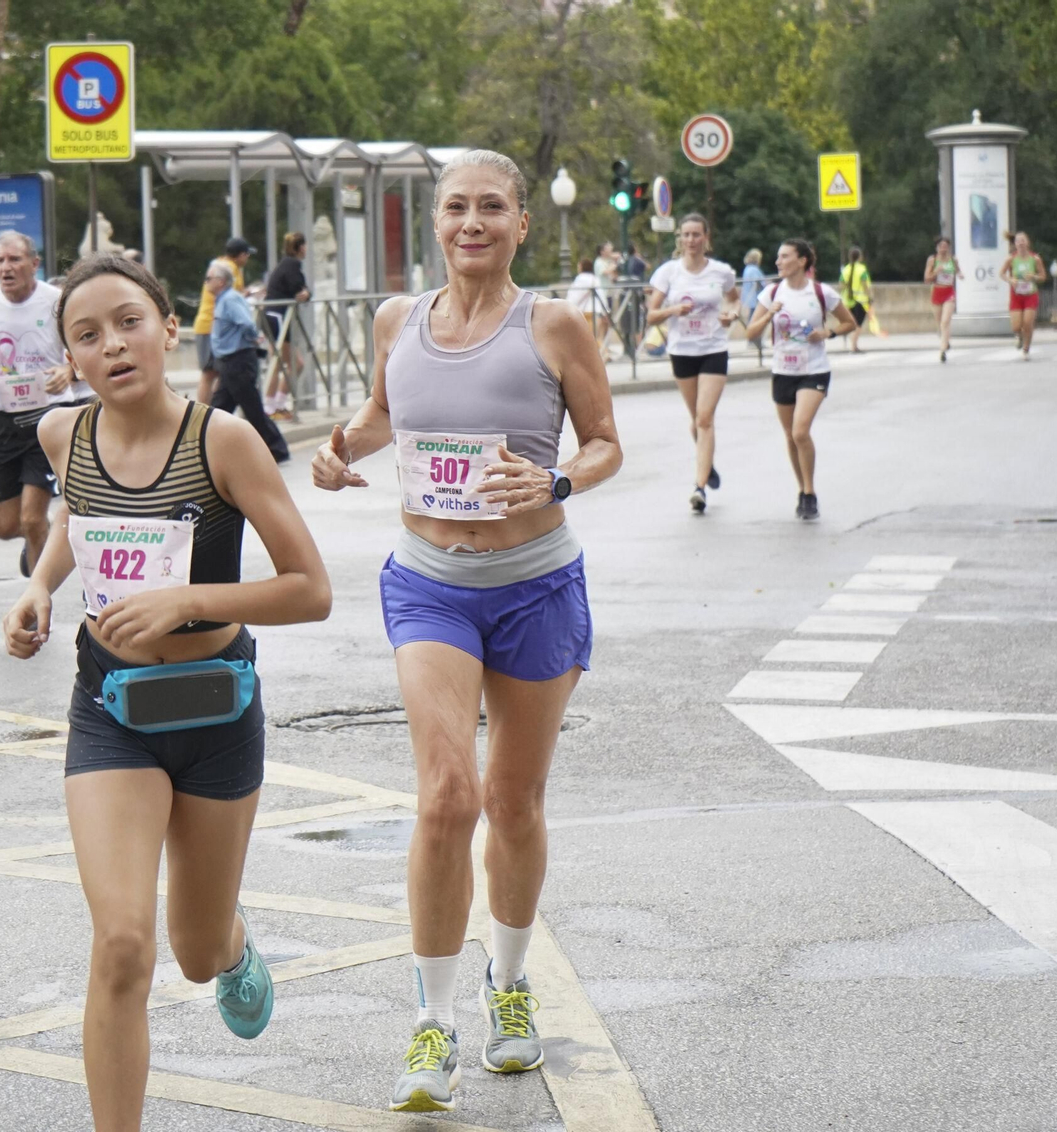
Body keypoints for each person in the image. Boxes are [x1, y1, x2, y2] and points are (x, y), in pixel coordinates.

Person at [310, 149, 622, 1114]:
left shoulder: (556, 324)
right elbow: (378, 413)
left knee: (514, 801)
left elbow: (607, 441)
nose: (472, 222)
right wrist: (337, 450)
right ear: (436, 220)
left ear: (522, 223)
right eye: (455, 207)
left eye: (492, 206)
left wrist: (558, 479)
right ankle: (433, 1021)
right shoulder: (397, 320)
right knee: (447, 795)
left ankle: (512, 983)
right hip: (430, 584)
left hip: (534, 585)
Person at [3, 253, 332, 1132]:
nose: (111, 344)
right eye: (86, 334)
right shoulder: (61, 435)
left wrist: (188, 600)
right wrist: (39, 583)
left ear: (168, 324)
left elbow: (311, 588)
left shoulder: (221, 441)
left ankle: (230, 943)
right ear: (69, 357)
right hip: (110, 712)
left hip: (215, 714)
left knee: (190, 950)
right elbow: (80, 518)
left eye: (128, 322)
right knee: (120, 946)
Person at [0, 230, 83, 577]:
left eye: (14, 259)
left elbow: (83, 343)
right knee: (4, 526)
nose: (6, 267)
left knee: (30, 517)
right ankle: (40, 533)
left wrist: (68, 371)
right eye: (0, 261)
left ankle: (39, 589)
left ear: (35, 263)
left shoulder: (57, 301)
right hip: (3, 420)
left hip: (48, 418)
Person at [745, 238, 858, 522]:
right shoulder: (771, 292)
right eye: (778, 256)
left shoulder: (820, 292)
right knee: (790, 436)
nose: (778, 261)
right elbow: (750, 333)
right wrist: (769, 314)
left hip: (814, 369)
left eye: (784, 256)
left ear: (802, 261)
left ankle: (810, 492)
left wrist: (827, 333)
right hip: (783, 370)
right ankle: (802, 489)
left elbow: (849, 322)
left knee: (799, 431)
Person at [644, 213, 738, 514]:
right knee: (696, 419)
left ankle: (699, 487)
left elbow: (734, 300)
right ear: (679, 239)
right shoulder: (668, 272)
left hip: (713, 348)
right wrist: (674, 309)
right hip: (682, 350)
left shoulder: (721, 272)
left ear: (706, 238)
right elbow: (651, 314)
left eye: (697, 234)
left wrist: (730, 315)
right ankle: (707, 465)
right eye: (685, 235)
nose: (691, 240)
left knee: (704, 418)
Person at [207, 263, 290, 463]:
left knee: (250, 408)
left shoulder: (230, 299)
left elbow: (246, 323)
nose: (206, 282)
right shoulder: (223, 299)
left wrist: (253, 338)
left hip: (239, 360)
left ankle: (277, 449)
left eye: (208, 279)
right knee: (219, 408)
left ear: (221, 281)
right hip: (230, 362)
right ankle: (207, 447)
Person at [192, 237, 254, 404]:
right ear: (240, 255)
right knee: (211, 373)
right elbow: (232, 297)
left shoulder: (218, 263)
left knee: (217, 373)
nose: (247, 259)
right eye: (247, 255)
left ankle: (213, 412)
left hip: (208, 323)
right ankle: (205, 414)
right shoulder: (231, 269)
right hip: (214, 326)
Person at [262, 231, 309, 420]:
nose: (306, 249)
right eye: (304, 245)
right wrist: (306, 293)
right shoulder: (292, 264)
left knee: (290, 363)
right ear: (299, 247)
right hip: (278, 316)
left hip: (277, 315)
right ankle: (270, 406)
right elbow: (299, 289)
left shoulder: (286, 264)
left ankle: (277, 404)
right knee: (282, 361)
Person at [1001, 231, 1047, 360]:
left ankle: (1026, 348)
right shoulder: (1011, 259)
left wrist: (1034, 277)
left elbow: (1043, 276)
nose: (1021, 243)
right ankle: (1020, 336)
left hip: (1030, 295)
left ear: (1028, 242)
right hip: (1016, 295)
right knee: (1016, 326)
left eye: (1023, 240)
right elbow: (1002, 274)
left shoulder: (1035, 259)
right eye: (1018, 241)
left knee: (1028, 323)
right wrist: (1010, 280)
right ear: (1015, 244)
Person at [923, 237, 963, 362]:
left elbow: (958, 271)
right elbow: (926, 279)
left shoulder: (953, 259)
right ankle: (946, 341)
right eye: (941, 246)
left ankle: (942, 350)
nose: (943, 248)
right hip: (937, 291)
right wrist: (936, 272)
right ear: (937, 248)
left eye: (945, 246)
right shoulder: (932, 260)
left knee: (945, 321)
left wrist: (960, 274)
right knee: (940, 323)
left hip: (949, 292)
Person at [565, 256, 610, 359]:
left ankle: (604, 353)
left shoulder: (581, 279)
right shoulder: (595, 279)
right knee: (596, 336)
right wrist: (606, 311)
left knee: (589, 337)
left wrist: (567, 306)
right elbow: (601, 295)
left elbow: (575, 296)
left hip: (586, 312)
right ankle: (603, 353)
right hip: (598, 311)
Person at [837, 247, 872, 352]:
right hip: (860, 301)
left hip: (848, 301)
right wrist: (870, 298)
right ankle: (854, 345)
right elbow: (865, 285)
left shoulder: (846, 270)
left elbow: (841, 285)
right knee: (858, 324)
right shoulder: (862, 270)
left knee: (851, 323)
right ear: (859, 257)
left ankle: (851, 342)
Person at [739, 248, 765, 325]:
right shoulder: (754, 270)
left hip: (748, 298)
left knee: (752, 317)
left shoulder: (747, 268)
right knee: (756, 318)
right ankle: (754, 334)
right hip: (755, 298)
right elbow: (757, 283)